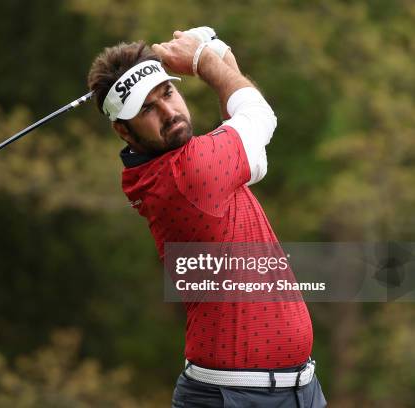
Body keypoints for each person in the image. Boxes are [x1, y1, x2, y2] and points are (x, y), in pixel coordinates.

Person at [87, 27, 327, 407]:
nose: (168, 112)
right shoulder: (188, 176)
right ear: (124, 131)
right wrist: (203, 59)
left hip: (294, 390)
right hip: (234, 396)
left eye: (167, 93)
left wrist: (218, 55)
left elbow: (254, 155)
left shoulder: (180, 168)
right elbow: (258, 115)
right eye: (147, 109)